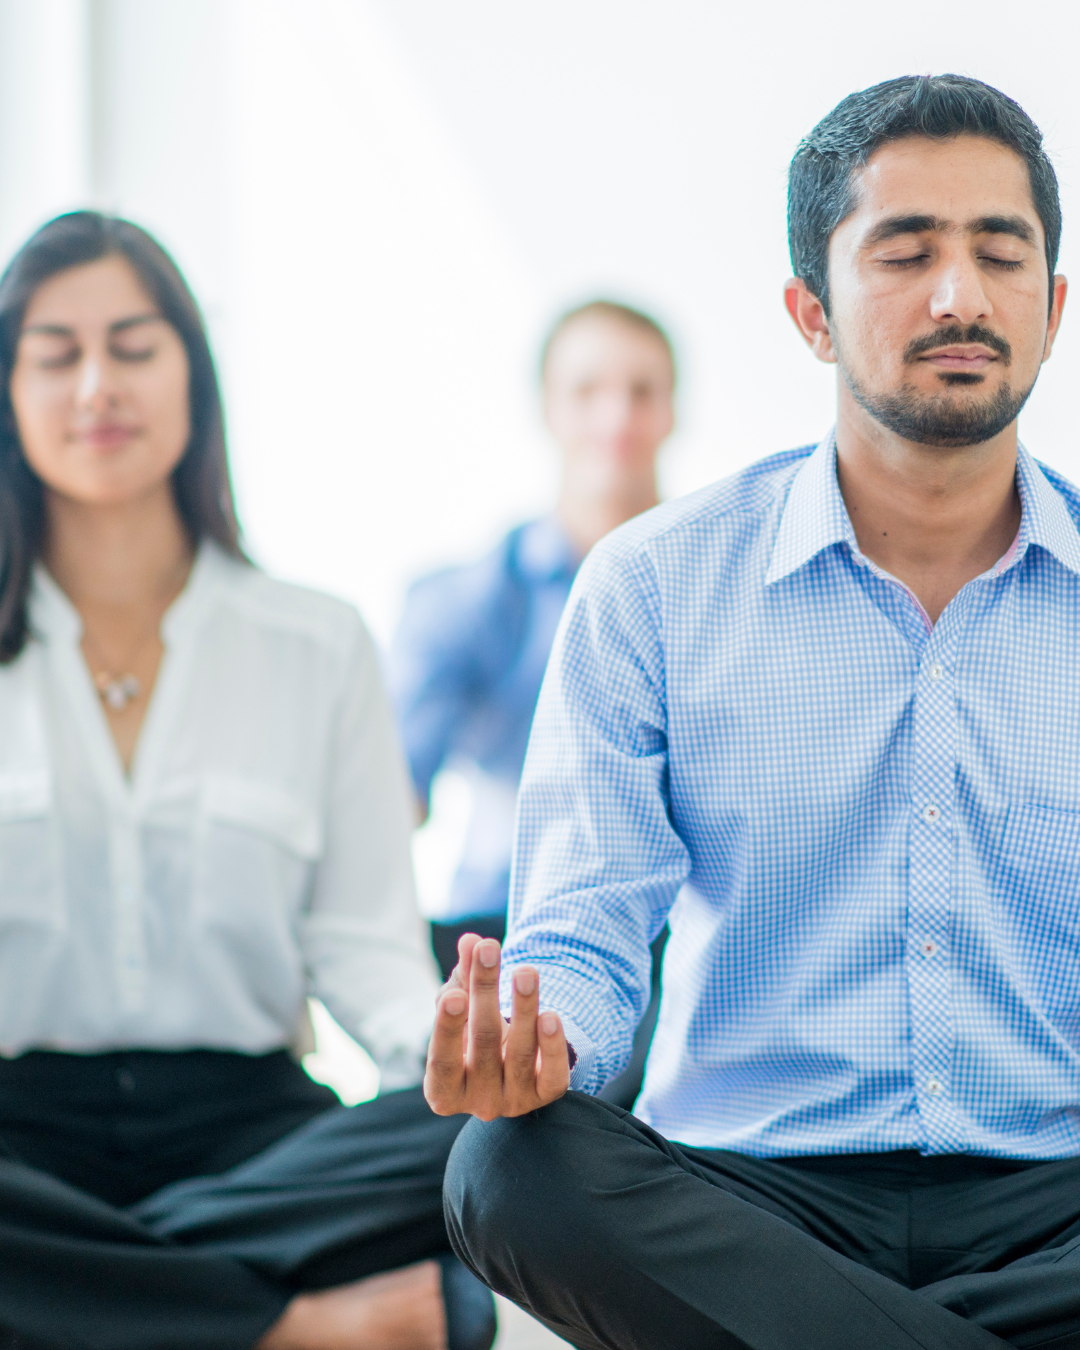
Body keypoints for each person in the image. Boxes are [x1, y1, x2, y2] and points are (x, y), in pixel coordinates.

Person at [425, 75, 1080, 1350]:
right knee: (505, 1172)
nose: (960, 296)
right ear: (811, 314)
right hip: (751, 1199)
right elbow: (587, 928)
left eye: (1002, 254)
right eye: (906, 252)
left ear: (1053, 309)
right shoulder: (655, 587)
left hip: (1056, 1200)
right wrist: (541, 1037)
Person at [0, 212, 494, 1350]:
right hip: (20, 1138)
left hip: (256, 1138)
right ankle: (282, 1328)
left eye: (133, 345)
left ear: (190, 373)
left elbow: (365, 941)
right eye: (56, 352)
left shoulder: (316, 642)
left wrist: (451, 1059)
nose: (97, 386)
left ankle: (78, 1301)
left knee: (519, 1138)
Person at [390, 300, 675, 980]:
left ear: (671, 412)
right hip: (505, 929)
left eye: (641, 392)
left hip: (681, 938)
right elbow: (391, 797)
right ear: (547, 409)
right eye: (587, 391)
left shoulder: (731, 592)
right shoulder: (461, 602)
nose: (617, 418)